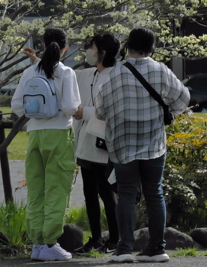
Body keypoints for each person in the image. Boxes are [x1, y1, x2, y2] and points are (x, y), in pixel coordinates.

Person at [96, 28, 189, 264]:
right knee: (154, 192)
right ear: (152, 47)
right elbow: (183, 99)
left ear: (129, 45)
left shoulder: (114, 74)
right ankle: (157, 248)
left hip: (123, 142)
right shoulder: (161, 70)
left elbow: (100, 109)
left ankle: (125, 248)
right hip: (154, 142)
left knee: (127, 192)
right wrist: (167, 114)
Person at [12, 27, 81, 262]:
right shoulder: (66, 72)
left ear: (42, 45)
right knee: (57, 189)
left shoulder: (30, 72)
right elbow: (71, 107)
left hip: (35, 135)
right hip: (60, 134)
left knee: (36, 189)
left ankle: (37, 243)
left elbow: (17, 106)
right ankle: (51, 242)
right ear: (65, 48)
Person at [71, 33, 120, 254]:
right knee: (89, 191)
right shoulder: (89, 74)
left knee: (106, 191)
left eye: (92, 48)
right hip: (86, 141)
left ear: (102, 52)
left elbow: (111, 108)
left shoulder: (116, 76)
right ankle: (97, 238)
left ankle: (115, 239)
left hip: (103, 143)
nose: (89, 51)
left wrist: (86, 112)